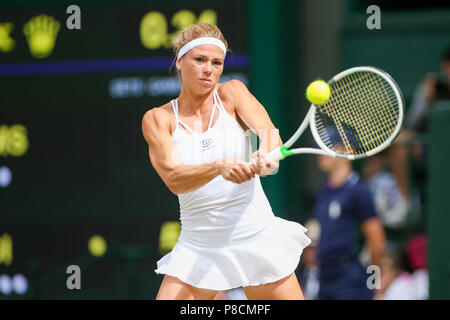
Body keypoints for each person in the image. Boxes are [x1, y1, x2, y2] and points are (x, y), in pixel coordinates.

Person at [141, 23, 311, 300]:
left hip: (256, 235)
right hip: (199, 247)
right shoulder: (158, 119)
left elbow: (270, 137)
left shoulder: (232, 92)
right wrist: (219, 167)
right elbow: (174, 179)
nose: (209, 69)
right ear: (180, 62)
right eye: (200, 60)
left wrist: (266, 159)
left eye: (216, 62)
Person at [314, 144, 386, 300]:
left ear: (348, 150)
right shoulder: (323, 193)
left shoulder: (358, 191)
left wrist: (374, 284)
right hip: (325, 278)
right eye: (319, 147)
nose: (321, 152)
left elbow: (377, 240)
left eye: (329, 146)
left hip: (350, 278)